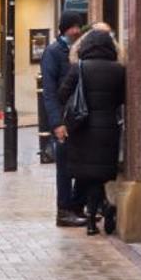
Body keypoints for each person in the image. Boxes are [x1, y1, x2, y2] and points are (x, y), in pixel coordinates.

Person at [56, 24, 127, 235]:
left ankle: (91, 220)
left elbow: (62, 94)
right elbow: (123, 99)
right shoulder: (119, 70)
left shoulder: (79, 67)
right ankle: (102, 210)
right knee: (99, 175)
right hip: (107, 129)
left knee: (87, 175)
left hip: (83, 129)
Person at [40, 16, 85, 226]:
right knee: (65, 166)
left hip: (80, 116)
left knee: (82, 163)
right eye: (72, 27)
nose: (76, 30)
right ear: (64, 29)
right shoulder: (53, 52)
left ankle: (77, 206)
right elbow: (49, 93)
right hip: (64, 118)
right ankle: (64, 211)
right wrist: (57, 123)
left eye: (78, 26)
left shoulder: (82, 48)